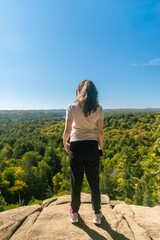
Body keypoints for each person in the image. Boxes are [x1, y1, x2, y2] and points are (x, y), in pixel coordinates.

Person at [63, 79, 104, 224]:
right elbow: (100, 133)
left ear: (79, 92)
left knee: (76, 182)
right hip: (92, 146)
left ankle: (74, 213)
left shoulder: (71, 107)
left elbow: (68, 130)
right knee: (94, 182)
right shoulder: (98, 109)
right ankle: (97, 214)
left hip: (76, 147)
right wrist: (100, 148)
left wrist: (64, 142)